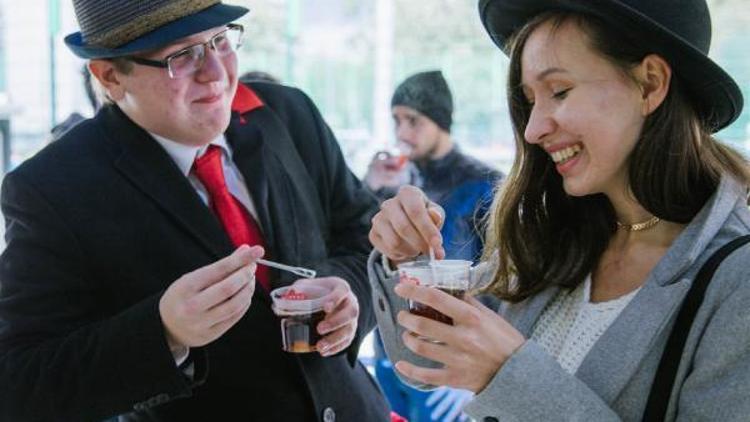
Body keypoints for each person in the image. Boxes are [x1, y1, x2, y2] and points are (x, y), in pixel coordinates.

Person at [0, 1, 389, 421]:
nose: (217, 74)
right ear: (109, 76)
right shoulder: (54, 188)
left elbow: (363, 236)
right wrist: (163, 332)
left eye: (220, 40)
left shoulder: (286, 114)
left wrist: (349, 297)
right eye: (181, 56)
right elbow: (20, 382)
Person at [368, 0, 750, 421]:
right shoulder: (560, 236)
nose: (533, 129)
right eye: (530, 100)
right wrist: (407, 256)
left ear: (650, 84)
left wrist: (510, 376)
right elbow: (426, 361)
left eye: (560, 91)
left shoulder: (736, 279)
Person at [364, 70, 502, 422]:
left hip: (449, 361)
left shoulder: (485, 183)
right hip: (392, 350)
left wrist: (478, 373)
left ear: (440, 121)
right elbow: (375, 259)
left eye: (413, 120)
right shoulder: (397, 180)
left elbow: (500, 284)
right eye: (396, 120)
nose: (401, 133)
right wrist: (372, 190)